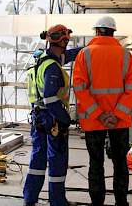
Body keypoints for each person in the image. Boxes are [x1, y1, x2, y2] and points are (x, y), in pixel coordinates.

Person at [73, 16, 132, 206]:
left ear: (96, 31)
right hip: (118, 122)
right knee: (120, 163)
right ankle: (121, 202)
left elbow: (80, 88)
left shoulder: (84, 55)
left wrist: (99, 114)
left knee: (96, 164)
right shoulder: (126, 56)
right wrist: (117, 114)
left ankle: (97, 204)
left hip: (94, 121)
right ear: (113, 32)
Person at [23, 24, 82, 206]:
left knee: (38, 158)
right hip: (52, 118)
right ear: (63, 41)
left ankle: (30, 198)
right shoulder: (53, 68)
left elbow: (69, 55)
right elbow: (50, 98)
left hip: (38, 116)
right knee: (57, 159)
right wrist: (66, 119)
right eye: (66, 40)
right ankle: (57, 202)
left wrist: (89, 47)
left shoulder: (40, 58)